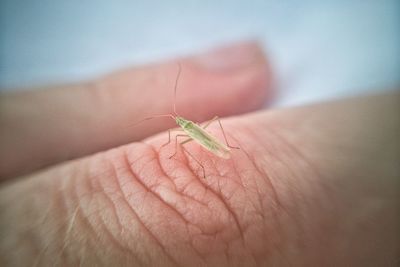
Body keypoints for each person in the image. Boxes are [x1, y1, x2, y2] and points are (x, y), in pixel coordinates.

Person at [0, 42, 398, 266]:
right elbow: (180, 137)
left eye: (178, 120)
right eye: (177, 121)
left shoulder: (188, 128)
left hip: (210, 137)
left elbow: (191, 133)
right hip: (200, 136)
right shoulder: (181, 129)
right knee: (183, 144)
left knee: (203, 135)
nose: (178, 123)